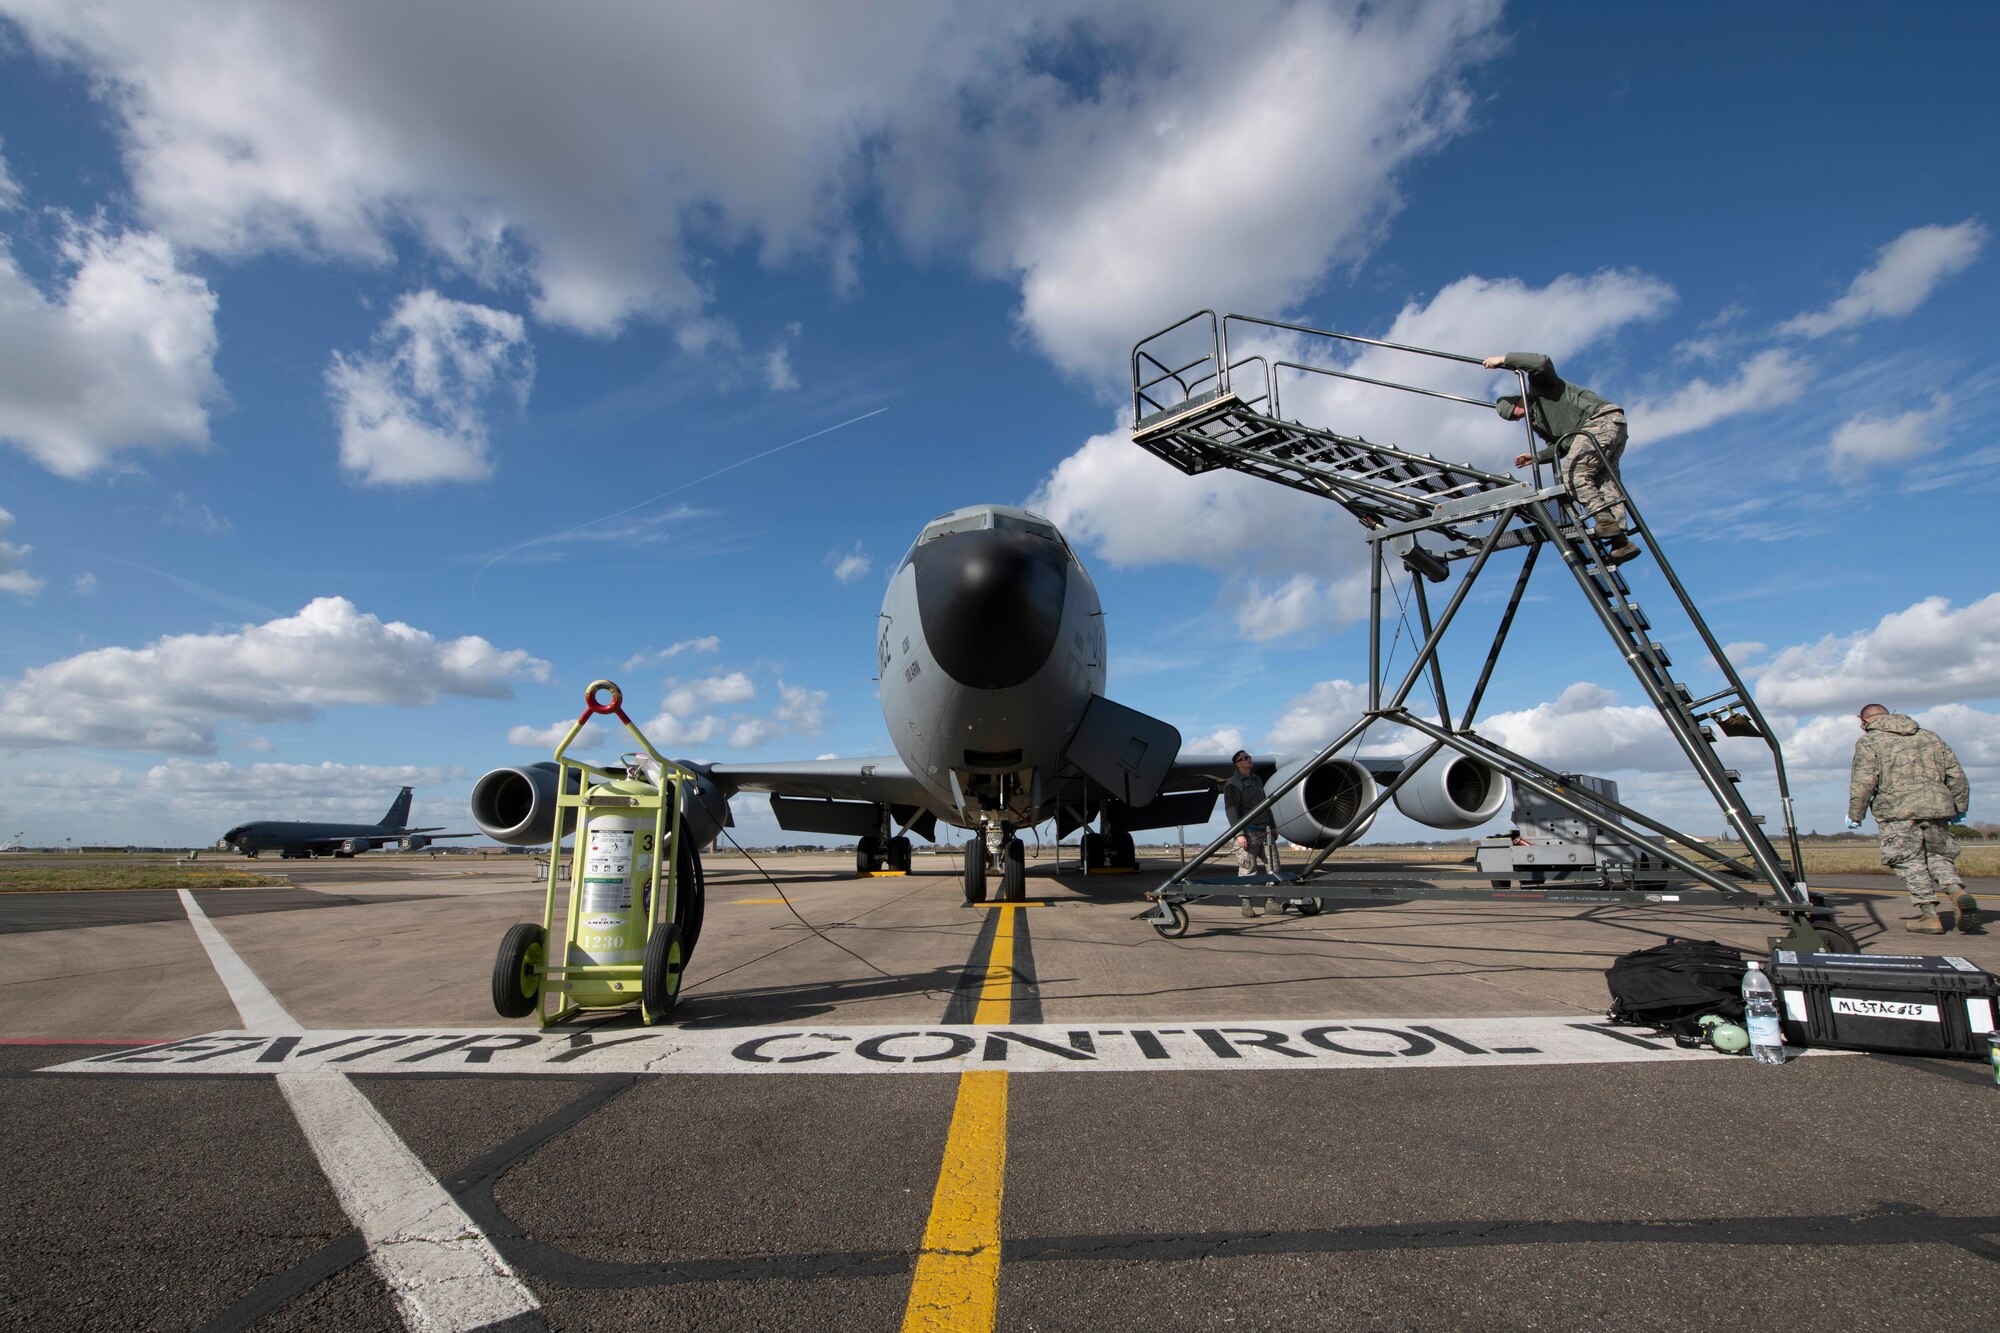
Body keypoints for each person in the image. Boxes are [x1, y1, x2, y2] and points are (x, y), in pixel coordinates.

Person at [1483, 352, 1640, 565]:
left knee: (1574, 474)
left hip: (1598, 420)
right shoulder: (1538, 424)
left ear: (1518, 400)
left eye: (1515, 412)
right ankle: (1621, 542)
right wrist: (1536, 457)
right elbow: (1562, 446)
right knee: (1603, 481)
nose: (1518, 418)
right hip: (1607, 428)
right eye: (1513, 419)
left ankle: (1604, 521)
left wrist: (1504, 359)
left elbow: (1541, 363)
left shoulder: (1540, 388)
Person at [1846, 703, 1981, 934]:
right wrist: (1960, 806)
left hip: (1898, 810)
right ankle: (1957, 891)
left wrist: (1855, 814)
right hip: (1937, 807)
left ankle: (1929, 915)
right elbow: (1956, 775)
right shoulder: (1929, 736)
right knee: (1938, 855)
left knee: (1908, 860)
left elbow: (1864, 782)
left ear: (1864, 721)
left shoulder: (1870, 741)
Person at [1223, 749, 1279, 916]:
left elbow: (1265, 804)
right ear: (1238, 763)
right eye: (1245, 758)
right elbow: (1231, 812)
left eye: (1249, 757)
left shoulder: (1257, 780)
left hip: (1265, 831)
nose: (1249, 760)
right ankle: (1246, 903)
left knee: (1274, 867)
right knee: (1248, 869)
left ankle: (1271, 902)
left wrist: (1273, 825)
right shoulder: (1233, 783)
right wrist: (1239, 834)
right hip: (1248, 832)